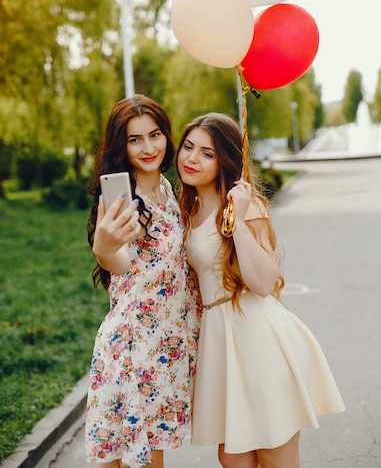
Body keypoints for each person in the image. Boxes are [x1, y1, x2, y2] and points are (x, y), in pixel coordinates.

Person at [176, 112, 345, 468]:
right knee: (232, 457)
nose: (192, 158)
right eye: (188, 147)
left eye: (207, 153)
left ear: (225, 160)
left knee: (273, 456)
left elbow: (265, 282)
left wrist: (237, 218)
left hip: (257, 336)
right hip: (221, 342)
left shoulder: (245, 204)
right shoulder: (187, 207)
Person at [85, 94, 200, 468]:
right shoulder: (123, 197)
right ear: (122, 145)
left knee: (148, 459)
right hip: (134, 349)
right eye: (135, 139)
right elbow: (119, 262)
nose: (148, 147)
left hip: (164, 347)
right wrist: (103, 248)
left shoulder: (168, 189)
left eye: (155, 135)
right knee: (132, 461)